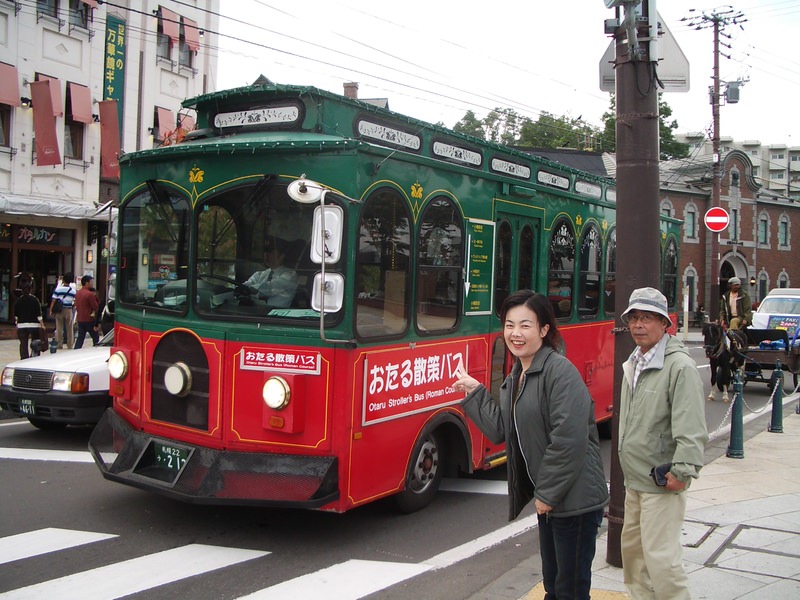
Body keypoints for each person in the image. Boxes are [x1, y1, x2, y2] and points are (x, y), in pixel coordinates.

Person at [454, 290, 608, 599]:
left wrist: (547, 495)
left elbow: (569, 439)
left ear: (544, 330)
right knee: (554, 584)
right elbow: (501, 430)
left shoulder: (559, 372)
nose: (515, 333)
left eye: (525, 325)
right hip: (553, 499)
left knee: (570, 589)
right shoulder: (519, 374)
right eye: (509, 325)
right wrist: (476, 393)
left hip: (574, 501)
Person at [618, 287, 708, 600]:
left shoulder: (679, 366)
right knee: (634, 555)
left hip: (661, 478)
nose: (638, 325)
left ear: (664, 323)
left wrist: (682, 470)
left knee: (661, 559)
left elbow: (692, 425)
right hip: (636, 480)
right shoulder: (635, 361)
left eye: (647, 318)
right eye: (634, 318)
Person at [243, 238, 298, 308]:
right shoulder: (259, 274)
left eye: (271, 252)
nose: (266, 255)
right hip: (254, 315)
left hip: (277, 316)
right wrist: (244, 289)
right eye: (265, 252)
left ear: (281, 256)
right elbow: (244, 286)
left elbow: (269, 288)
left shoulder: (290, 275)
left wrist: (249, 290)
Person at [14, 283, 46, 359]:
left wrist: (17, 323)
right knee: (35, 342)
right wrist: (42, 324)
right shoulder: (35, 300)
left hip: (22, 325)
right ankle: (34, 356)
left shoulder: (18, 301)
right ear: (31, 290)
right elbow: (39, 314)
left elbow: (16, 315)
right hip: (34, 325)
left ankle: (24, 358)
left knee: (23, 343)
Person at [50, 272, 76, 349]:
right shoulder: (73, 291)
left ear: (63, 280)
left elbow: (54, 300)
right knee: (70, 328)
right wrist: (72, 306)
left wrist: (51, 310)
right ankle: (70, 344)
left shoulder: (58, 289)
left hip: (59, 310)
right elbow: (75, 301)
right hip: (69, 310)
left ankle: (59, 344)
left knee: (59, 328)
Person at [74, 274, 100, 349]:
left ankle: (76, 350)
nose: (92, 283)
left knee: (80, 338)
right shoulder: (90, 294)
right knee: (95, 337)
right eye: (91, 282)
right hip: (89, 319)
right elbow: (95, 307)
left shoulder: (78, 293)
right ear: (86, 283)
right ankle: (96, 350)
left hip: (80, 319)